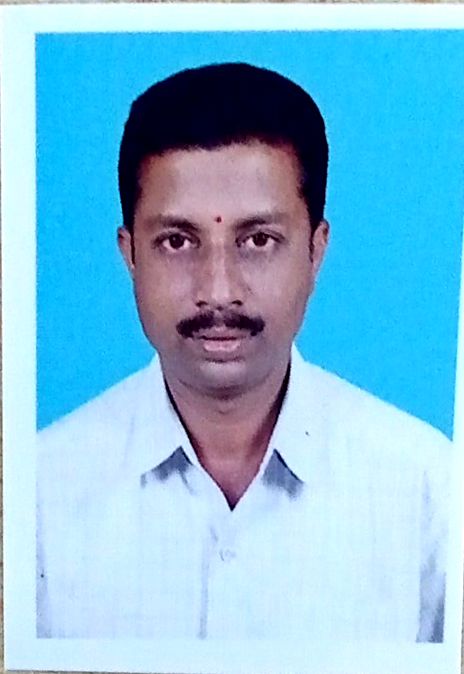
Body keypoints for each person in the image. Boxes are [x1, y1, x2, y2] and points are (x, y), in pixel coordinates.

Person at [37, 62, 450, 641]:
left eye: (258, 240)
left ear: (316, 251)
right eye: (177, 241)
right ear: (129, 254)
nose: (218, 291)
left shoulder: (430, 493)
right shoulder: (35, 497)